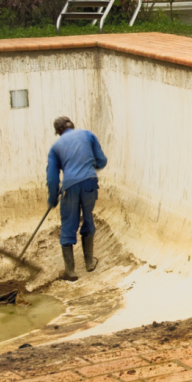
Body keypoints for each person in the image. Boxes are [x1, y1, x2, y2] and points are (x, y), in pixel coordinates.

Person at [46, 116, 107, 281]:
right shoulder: (88, 135)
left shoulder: (55, 148)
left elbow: (52, 178)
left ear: (58, 132)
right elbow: (101, 161)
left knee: (69, 224)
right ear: (72, 126)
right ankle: (89, 262)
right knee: (88, 218)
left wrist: (53, 198)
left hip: (70, 188)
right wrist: (88, 167)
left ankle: (70, 271)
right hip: (90, 183)